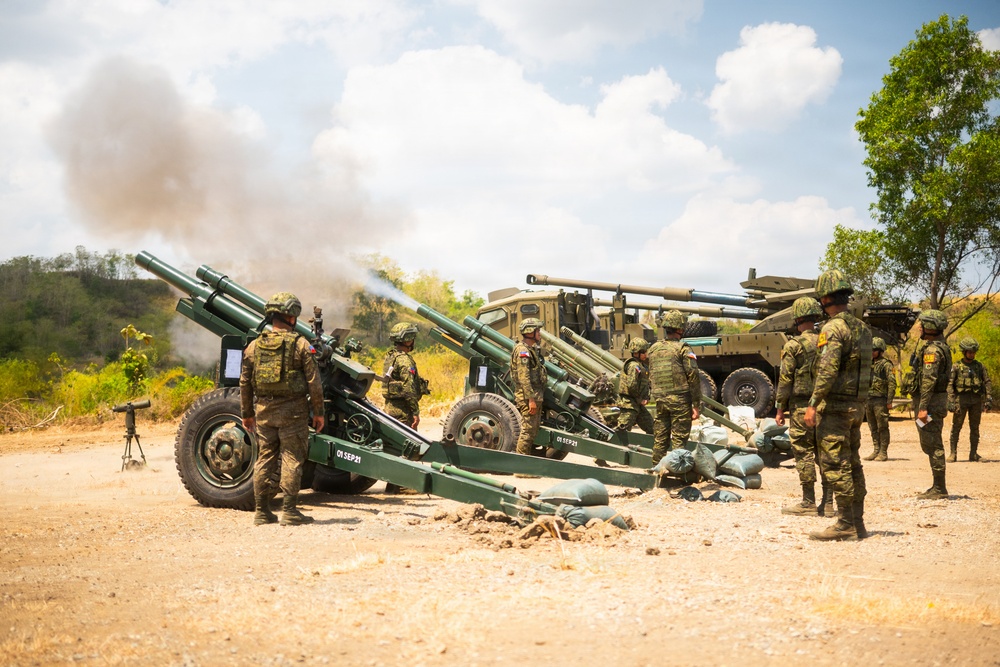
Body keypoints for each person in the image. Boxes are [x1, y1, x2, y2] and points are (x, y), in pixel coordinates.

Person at [240, 292, 325, 526]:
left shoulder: (254, 346)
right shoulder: (301, 345)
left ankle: (262, 511)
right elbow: (314, 383)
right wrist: (319, 412)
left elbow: (244, 382)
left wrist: (247, 413)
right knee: (292, 458)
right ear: (291, 316)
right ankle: (289, 511)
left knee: (265, 458)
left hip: (264, 411)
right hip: (294, 413)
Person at [804, 270, 873, 541]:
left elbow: (827, 370)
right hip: (857, 407)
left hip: (835, 408)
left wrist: (813, 403)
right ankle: (858, 523)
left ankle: (845, 523)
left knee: (835, 463)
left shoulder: (833, 329)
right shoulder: (863, 329)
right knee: (853, 463)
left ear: (825, 299)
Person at [774, 297, 829, 516]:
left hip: (800, 407)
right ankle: (830, 503)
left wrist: (780, 408)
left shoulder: (793, 345)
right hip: (825, 405)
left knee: (804, 452)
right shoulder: (828, 341)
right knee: (825, 452)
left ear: (797, 318)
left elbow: (785, 380)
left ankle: (808, 502)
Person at [648, 310, 701, 466]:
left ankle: (656, 470)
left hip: (660, 400)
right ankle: (677, 472)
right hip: (679, 400)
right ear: (680, 329)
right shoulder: (683, 349)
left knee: (660, 438)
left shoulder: (653, 349)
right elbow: (693, 376)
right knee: (679, 440)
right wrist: (696, 404)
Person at [910, 309, 952, 499]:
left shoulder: (933, 351)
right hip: (933, 404)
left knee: (933, 443)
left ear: (930, 327)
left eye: (922, 323)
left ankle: (939, 488)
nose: (919, 327)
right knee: (927, 439)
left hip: (931, 406)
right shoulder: (939, 346)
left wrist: (923, 408)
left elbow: (929, 380)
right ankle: (937, 485)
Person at [947, 337, 993, 462]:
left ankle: (973, 454)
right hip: (961, 400)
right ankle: (953, 453)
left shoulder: (979, 366)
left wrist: (989, 398)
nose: (972, 354)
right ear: (964, 352)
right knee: (956, 427)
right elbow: (950, 384)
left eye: (973, 352)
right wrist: (950, 401)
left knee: (975, 428)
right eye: (969, 352)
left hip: (976, 400)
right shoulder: (956, 366)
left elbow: (987, 381)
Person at [511, 317, 547, 456]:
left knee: (533, 431)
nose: (540, 334)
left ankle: (526, 464)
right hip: (528, 398)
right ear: (530, 332)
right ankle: (521, 465)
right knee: (527, 431)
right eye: (538, 331)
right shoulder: (522, 351)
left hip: (535, 396)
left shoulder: (530, 349)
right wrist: (530, 399)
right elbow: (523, 377)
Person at [381, 322, 426, 431]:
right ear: (408, 340)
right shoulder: (404, 360)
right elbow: (408, 388)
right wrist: (415, 412)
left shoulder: (391, 356)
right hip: (403, 415)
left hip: (389, 411)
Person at [614, 338, 654, 444]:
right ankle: (600, 457)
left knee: (653, 428)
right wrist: (641, 399)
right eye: (644, 352)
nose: (646, 354)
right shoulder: (634, 366)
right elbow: (632, 385)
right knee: (621, 434)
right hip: (629, 406)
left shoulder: (639, 365)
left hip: (637, 405)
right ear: (637, 353)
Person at [863, 337, 897, 462]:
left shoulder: (886, 364)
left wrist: (889, 401)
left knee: (882, 426)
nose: (872, 352)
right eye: (870, 350)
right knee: (872, 427)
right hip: (869, 399)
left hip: (880, 400)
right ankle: (876, 449)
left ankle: (883, 452)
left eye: (874, 350)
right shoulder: (868, 364)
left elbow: (892, 383)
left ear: (880, 350)